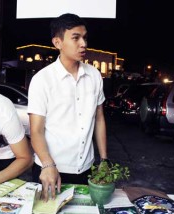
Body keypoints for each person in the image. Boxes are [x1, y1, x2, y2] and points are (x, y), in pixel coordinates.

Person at [27, 13, 109, 201]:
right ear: (57, 42)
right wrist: (48, 165)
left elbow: (99, 119)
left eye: (85, 37)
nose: (83, 44)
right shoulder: (42, 80)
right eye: (76, 38)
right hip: (50, 169)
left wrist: (104, 159)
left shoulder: (95, 75)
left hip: (86, 169)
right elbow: (36, 130)